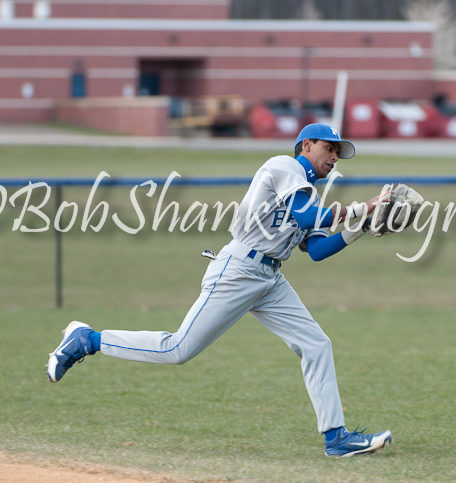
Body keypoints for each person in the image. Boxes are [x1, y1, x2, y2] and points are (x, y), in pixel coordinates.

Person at [46, 123, 393, 457]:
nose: (334, 157)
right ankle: (86, 340)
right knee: (177, 349)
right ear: (306, 146)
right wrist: (364, 208)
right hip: (239, 270)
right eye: (328, 148)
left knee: (317, 345)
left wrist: (360, 227)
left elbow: (316, 250)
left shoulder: (309, 193)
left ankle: (336, 438)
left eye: (338, 152)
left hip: (270, 280)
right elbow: (305, 217)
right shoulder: (284, 167)